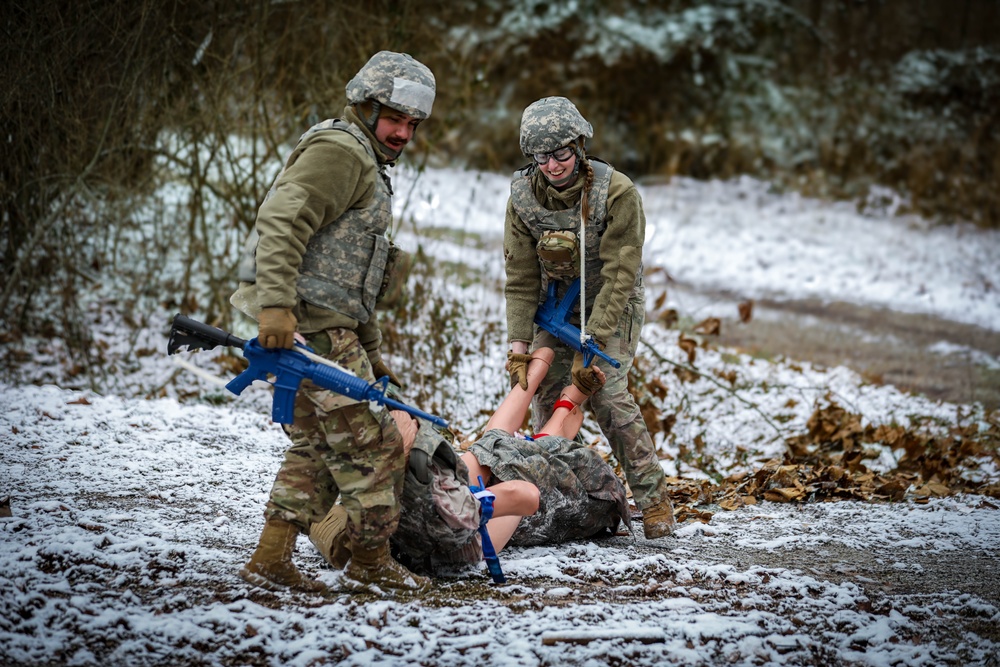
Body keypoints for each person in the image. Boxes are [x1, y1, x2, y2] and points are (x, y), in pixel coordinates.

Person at [230, 51, 437, 594]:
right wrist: (276, 308)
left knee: (317, 447)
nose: (403, 133)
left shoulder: (367, 159)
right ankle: (370, 563)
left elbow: (353, 270)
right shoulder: (341, 151)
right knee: (377, 445)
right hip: (309, 330)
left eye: (412, 124)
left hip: (329, 328)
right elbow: (281, 219)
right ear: (365, 107)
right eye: (394, 119)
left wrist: (371, 347)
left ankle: (270, 559)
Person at [503, 96, 676, 539]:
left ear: (579, 146)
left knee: (606, 396)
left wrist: (593, 343)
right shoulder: (522, 197)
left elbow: (621, 271)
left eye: (562, 153)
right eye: (542, 156)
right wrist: (519, 347)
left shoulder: (616, 192)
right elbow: (520, 275)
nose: (553, 164)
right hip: (556, 304)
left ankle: (655, 504)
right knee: (542, 397)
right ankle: (575, 501)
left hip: (611, 305)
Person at [309, 348, 630, 578]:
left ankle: (553, 396)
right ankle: (563, 404)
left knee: (488, 452)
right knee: (525, 465)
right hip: (509, 521)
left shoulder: (379, 479)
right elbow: (526, 495)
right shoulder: (434, 500)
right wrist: (477, 501)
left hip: (453, 508)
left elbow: (492, 447)